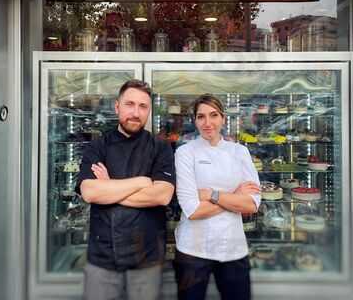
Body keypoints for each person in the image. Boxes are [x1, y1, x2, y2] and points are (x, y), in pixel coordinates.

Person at [76, 79, 175, 300]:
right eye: (130, 104)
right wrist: (141, 182)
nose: (136, 112)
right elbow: (90, 192)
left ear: (149, 110)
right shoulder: (98, 146)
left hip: (146, 259)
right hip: (102, 258)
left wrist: (109, 186)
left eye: (143, 106)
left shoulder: (160, 148)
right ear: (117, 106)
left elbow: (162, 195)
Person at [174, 93, 261, 300]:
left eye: (213, 115)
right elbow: (193, 211)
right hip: (192, 249)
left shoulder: (240, 152)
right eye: (201, 116)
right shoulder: (185, 153)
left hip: (233, 248)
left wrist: (212, 195)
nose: (207, 122)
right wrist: (234, 197)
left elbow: (251, 204)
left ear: (223, 118)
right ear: (194, 120)